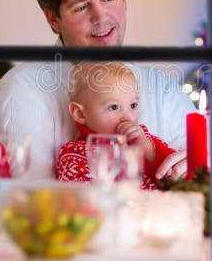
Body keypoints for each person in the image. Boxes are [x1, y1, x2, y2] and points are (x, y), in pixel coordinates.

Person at [0, 0, 195, 181]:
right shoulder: (22, 90)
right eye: (81, 7)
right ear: (53, 19)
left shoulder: (163, 88)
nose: (100, 16)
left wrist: (191, 173)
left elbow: (203, 178)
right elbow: (27, 204)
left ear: (124, 0)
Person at [56, 61, 177, 189]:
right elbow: (82, 201)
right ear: (80, 114)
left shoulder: (145, 139)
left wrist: (150, 152)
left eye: (133, 105)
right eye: (114, 107)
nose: (128, 117)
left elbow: (181, 178)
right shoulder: (75, 156)